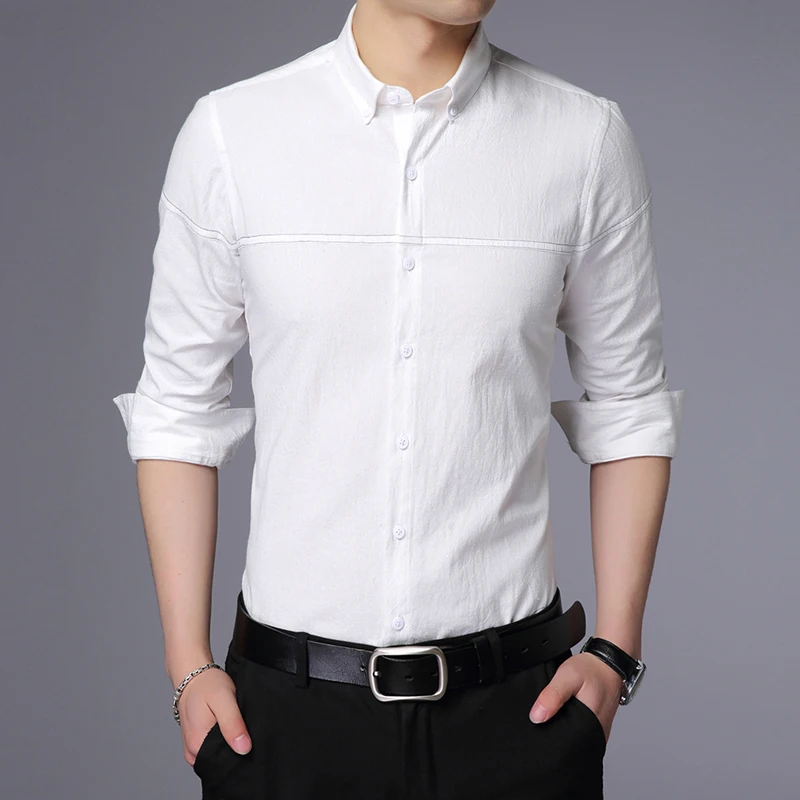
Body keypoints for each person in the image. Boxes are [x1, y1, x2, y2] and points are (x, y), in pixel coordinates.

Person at [112, 1, 685, 797]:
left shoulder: (583, 141)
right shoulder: (232, 135)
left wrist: (616, 651)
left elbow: (629, 407)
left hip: (516, 719)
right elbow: (177, 412)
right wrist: (188, 666)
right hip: (286, 722)